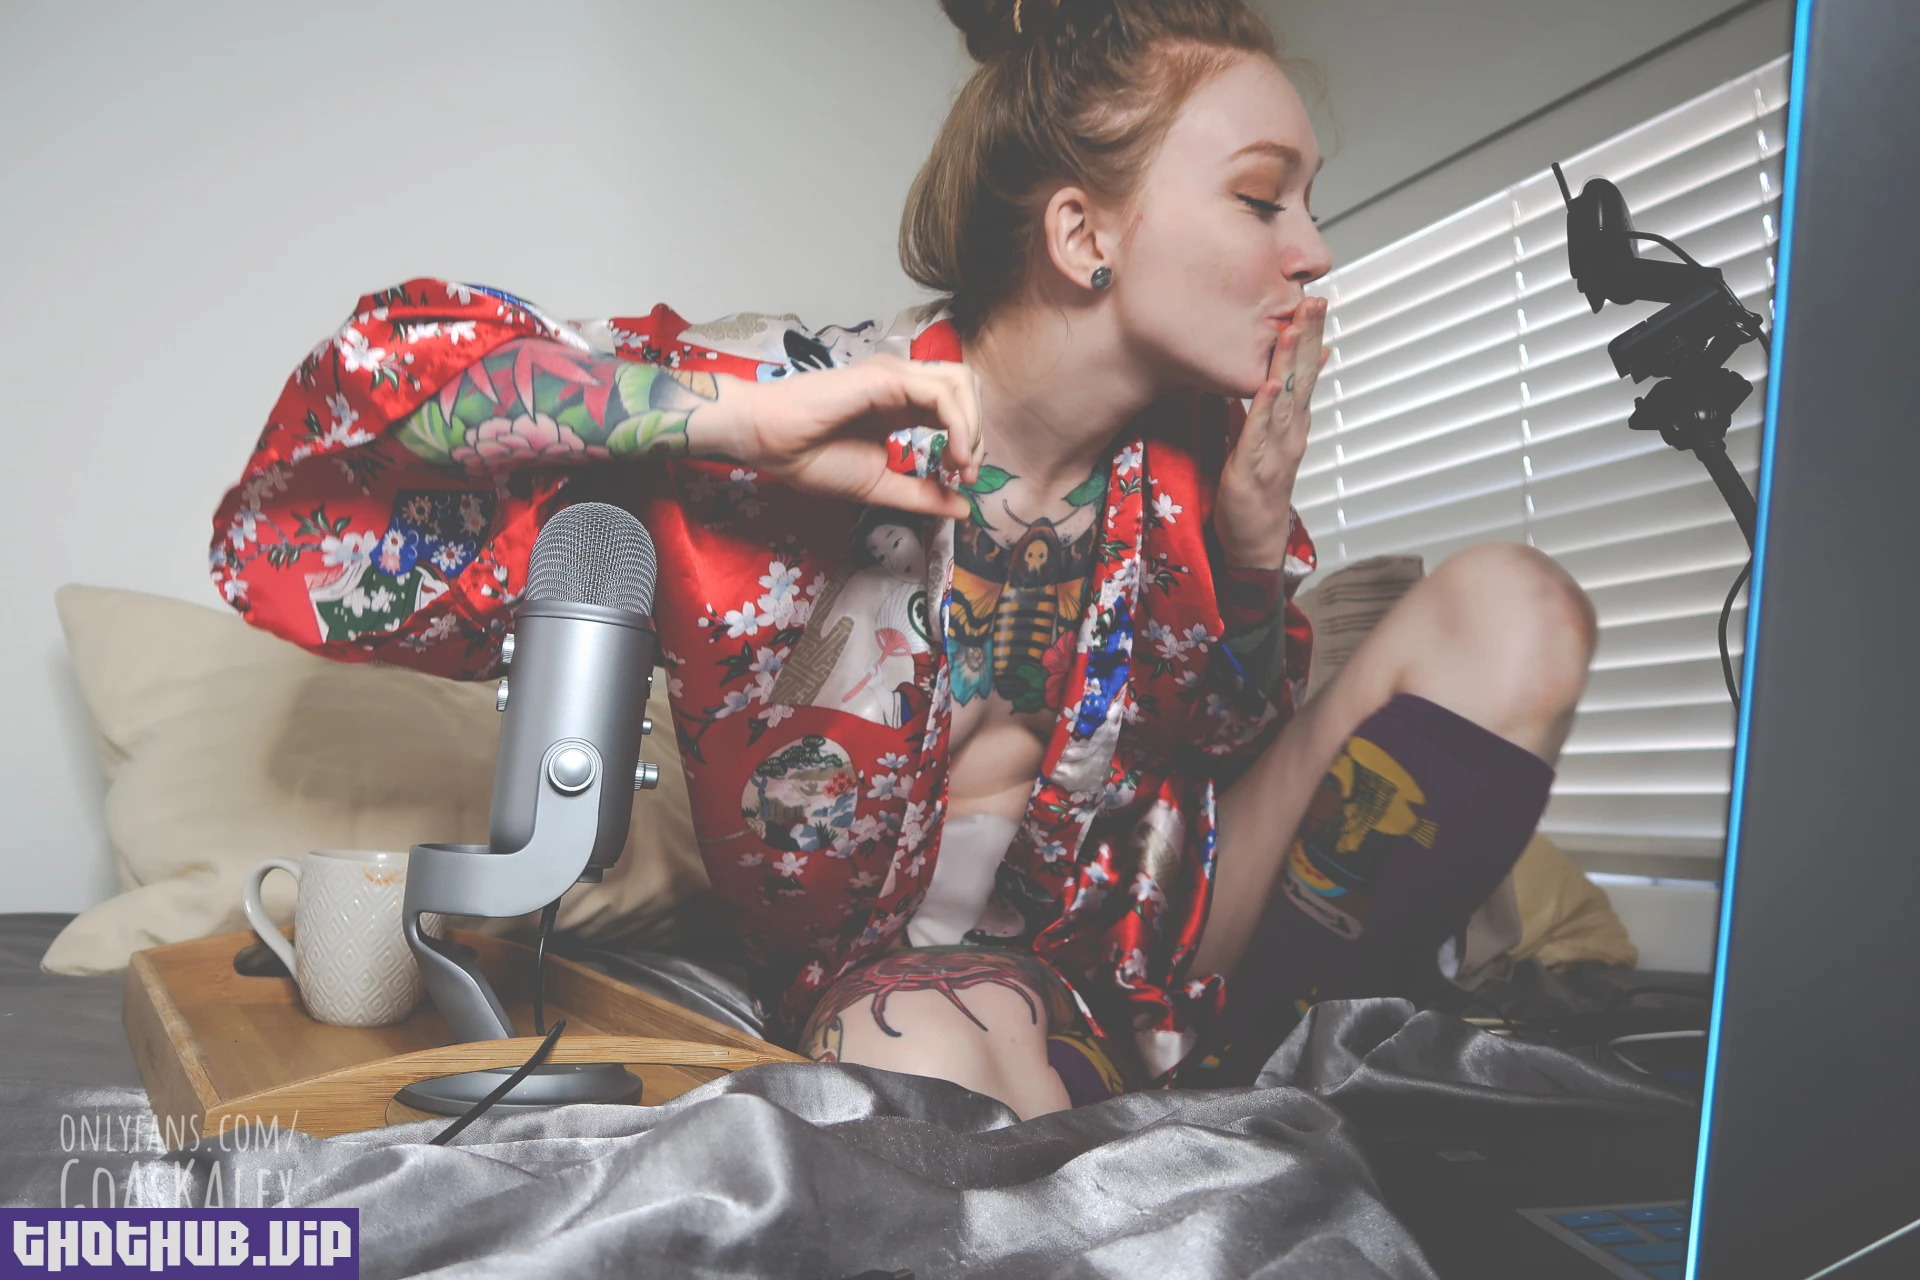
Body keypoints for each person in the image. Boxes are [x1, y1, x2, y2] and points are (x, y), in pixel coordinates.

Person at [210, 0, 1594, 1121]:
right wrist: (713, 422)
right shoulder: (795, 407)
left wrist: (1242, 565)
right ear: (1084, 234)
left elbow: (1231, 756)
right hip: (884, 981)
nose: (1315, 251)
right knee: (941, 1051)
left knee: (1515, 611)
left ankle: (1247, 1061)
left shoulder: (1201, 469)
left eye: (1308, 203)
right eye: (1260, 200)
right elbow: (324, 477)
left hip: (1157, 951)